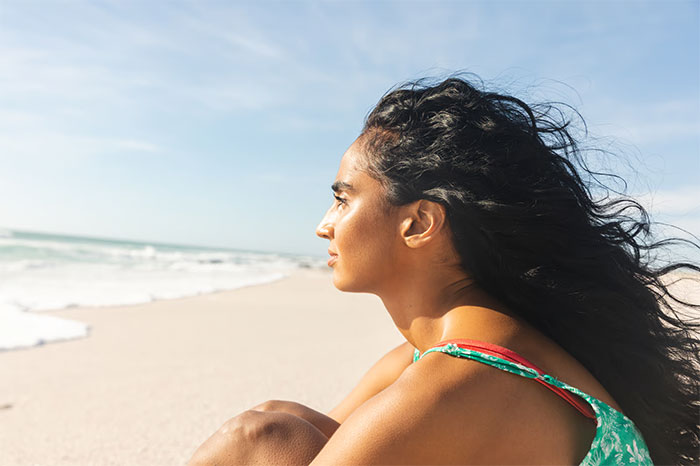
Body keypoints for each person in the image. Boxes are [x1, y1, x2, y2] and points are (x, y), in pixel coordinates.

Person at [189, 76, 700, 465]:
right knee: (289, 420)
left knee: (261, 439)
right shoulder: (425, 358)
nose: (324, 225)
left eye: (343, 201)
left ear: (419, 222)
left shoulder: (459, 383)